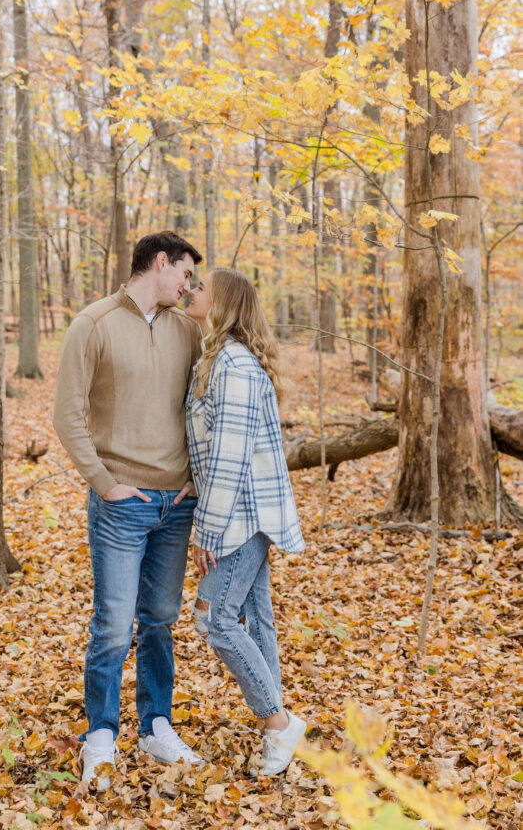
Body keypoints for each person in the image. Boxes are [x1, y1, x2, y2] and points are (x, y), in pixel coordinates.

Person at [53, 231, 204, 789]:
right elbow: (67, 416)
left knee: (160, 622)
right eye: (184, 274)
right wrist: (104, 482)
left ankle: (156, 725)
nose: (189, 288)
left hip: (177, 506)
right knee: (114, 625)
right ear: (159, 262)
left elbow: (203, 407)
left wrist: (193, 478)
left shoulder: (187, 330)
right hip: (121, 504)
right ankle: (101, 735)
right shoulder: (92, 324)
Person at [184, 268, 307, 776]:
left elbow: (231, 459)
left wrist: (205, 532)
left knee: (214, 620)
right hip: (245, 512)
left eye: (202, 288)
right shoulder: (223, 359)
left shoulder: (233, 364)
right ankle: (275, 726)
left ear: (224, 304)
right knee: (256, 619)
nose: (191, 291)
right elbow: (219, 447)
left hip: (239, 517)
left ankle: (277, 723)